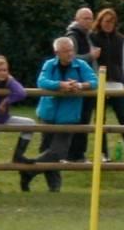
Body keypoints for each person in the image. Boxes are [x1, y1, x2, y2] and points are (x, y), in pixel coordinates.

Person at [21, 37, 97, 192]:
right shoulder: (49, 65)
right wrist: (60, 85)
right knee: (47, 149)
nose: (70, 54)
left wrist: (80, 85)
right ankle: (54, 187)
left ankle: (28, 171)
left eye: (71, 50)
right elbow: (41, 81)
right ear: (57, 53)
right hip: (47, 114)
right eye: (66, 51)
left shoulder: (81, 65)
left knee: (59, 151)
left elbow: (95, 81)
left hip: (68, 117)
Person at [0, 56, 36, 192]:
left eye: (5, 70)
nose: (3, 72)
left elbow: (21, 93)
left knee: (30, 124)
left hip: (4, 119)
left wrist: (7, 100)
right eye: (0, 70)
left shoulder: (9, 80)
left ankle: (18, 156)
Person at [90, 8, 124, 162]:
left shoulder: (120, 39)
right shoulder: (93, 37)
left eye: (112, 22)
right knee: (100, 120)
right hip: (100, 84)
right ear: (100, 22)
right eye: (106, 21)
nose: (109, 24)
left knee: (123, 119)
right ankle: (103, 154)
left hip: (117, 84)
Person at [65, 7, 101, 162]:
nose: (88, 21)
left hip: (88, 82)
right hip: (77, 84)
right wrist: (90, 56)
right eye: (85, 18)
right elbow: (70, 58)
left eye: (90, 18)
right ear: (77, 19)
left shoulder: (87, 36)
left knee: (85, 119)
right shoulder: (73, 36)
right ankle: (75, 155)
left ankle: (78, 153)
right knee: (79, 119)